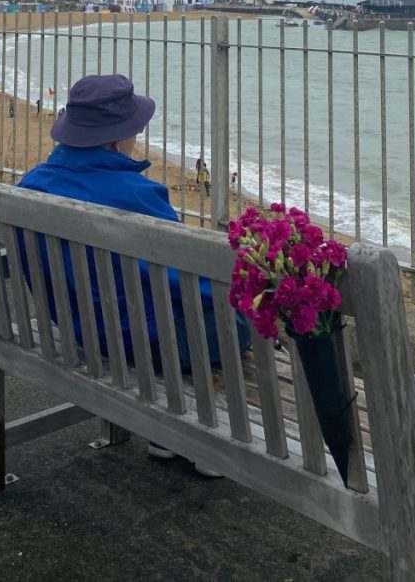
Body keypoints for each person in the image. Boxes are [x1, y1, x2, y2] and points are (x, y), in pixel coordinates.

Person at [18, 74, 251, 474]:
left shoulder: (29, 187)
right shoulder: (135, 195)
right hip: (144, 341)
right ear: (115, 139)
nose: (136, 136)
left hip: (78, 331)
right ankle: (202, 440)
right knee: (238, 322)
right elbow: (190, 279)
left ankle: (167, 433)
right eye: (134, 129)